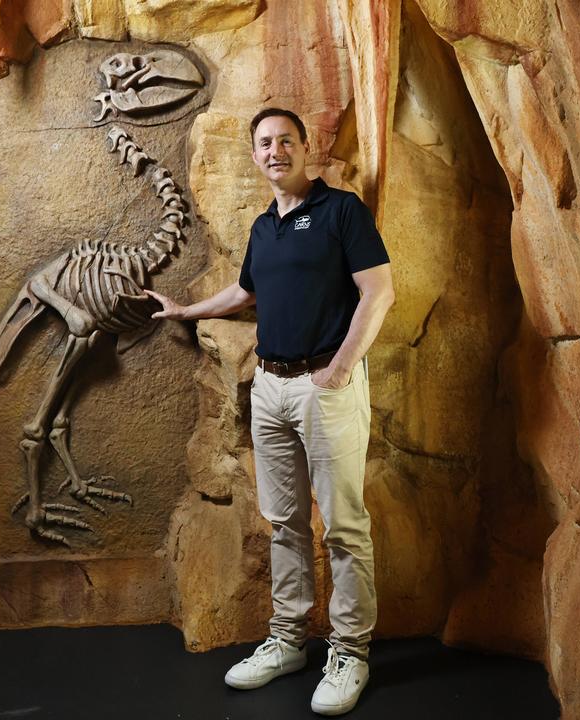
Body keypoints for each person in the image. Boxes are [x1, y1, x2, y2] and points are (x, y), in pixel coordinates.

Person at [145, 107, 393, 716]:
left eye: (286, 140)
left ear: (306, 149)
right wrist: (187, 311)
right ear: (255, 156)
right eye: (265, 144)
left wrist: (338, 369)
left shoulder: (342, 212)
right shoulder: (264, 227)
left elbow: (379, 289)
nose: (276, 151)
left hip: (324, 386)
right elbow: (247, 291)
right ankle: (288, 640)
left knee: (344, 526)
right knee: (283, 522)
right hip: (270, 387)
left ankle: (349, 652)